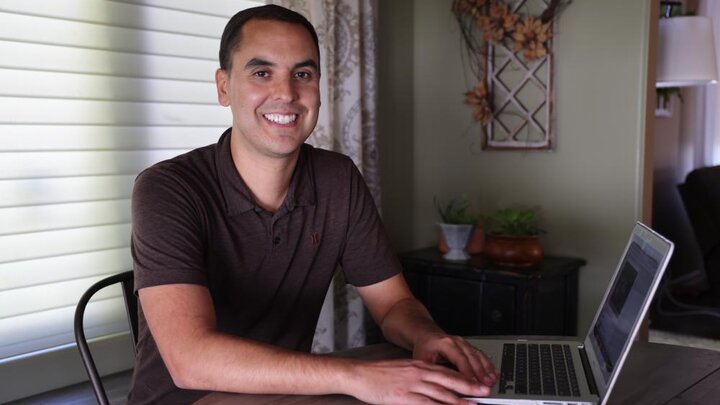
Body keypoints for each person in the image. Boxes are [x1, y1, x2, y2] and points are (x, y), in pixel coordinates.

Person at [129, 4, 496, 404]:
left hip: (289, 393)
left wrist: (427, 335)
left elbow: (393, 304)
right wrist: (356, 376)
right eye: (262, 73)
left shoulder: (337, 179)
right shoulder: (167, 189)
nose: (286, 93)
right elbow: (190, 359)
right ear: (223, 87)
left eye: (302, 74)